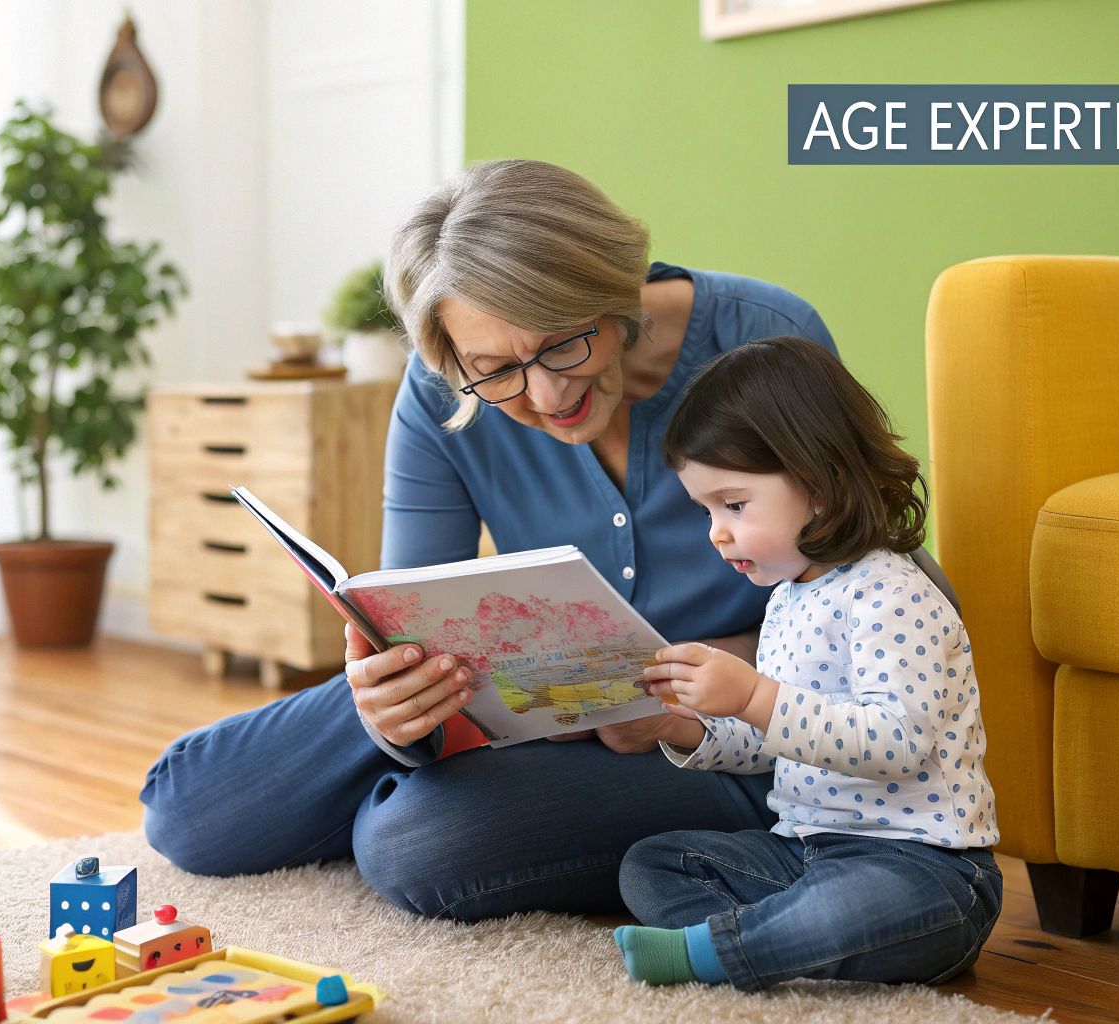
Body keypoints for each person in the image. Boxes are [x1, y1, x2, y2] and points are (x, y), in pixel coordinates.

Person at [138, 159, 960, 922]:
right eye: (496, 370)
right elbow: (411, 617)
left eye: (564, 342)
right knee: (186, 802)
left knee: (413, 844)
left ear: (615, 289)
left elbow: (859, 602)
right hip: (518, 706)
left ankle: (453, 799)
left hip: (730, 742)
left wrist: (670, 687)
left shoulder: (763, 341)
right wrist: (390, 707)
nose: (547, 393)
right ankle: (423, 775)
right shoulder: (444, 391)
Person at [615, 336, 1001, 988]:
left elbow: (898, 743)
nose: (717, 531)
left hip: (925, 867)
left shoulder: (892, 589)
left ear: (820, 483)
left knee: (852, 906)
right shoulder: (790, 598)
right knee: (654, 862)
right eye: (705, 509)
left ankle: (723, 952)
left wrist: (752, 696)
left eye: (733, 504)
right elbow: (775, 743)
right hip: (806, 852)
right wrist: (685, 726)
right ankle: (783, 942)